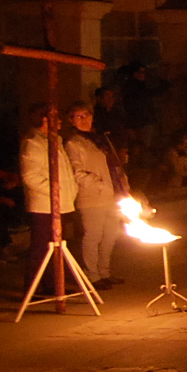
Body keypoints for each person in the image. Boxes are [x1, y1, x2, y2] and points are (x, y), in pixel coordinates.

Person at [20, 104, 79, 296]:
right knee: (41, 247)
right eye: (56, 117)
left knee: (56, 246)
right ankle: (33, 287)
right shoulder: (33, 143)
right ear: (44, 120)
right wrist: (55, 192)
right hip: (44, 206)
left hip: (59, 203)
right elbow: (31, 177)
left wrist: (70, 190)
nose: (60, 121)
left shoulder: (55, 141)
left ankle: (52, 284)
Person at [64, 103, 125, 289]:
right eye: (78, 116)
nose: (84, 119)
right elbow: (77, 171)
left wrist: (122, 186)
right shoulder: (74, 143)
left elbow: (113, 166)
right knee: (93, 235)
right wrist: (98, 184)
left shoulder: (100, 139)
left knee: (111, 234)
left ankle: (104, 271)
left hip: (111, 195)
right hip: (92, 197)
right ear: (71, 120)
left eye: (86, 115)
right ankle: (92, 275)